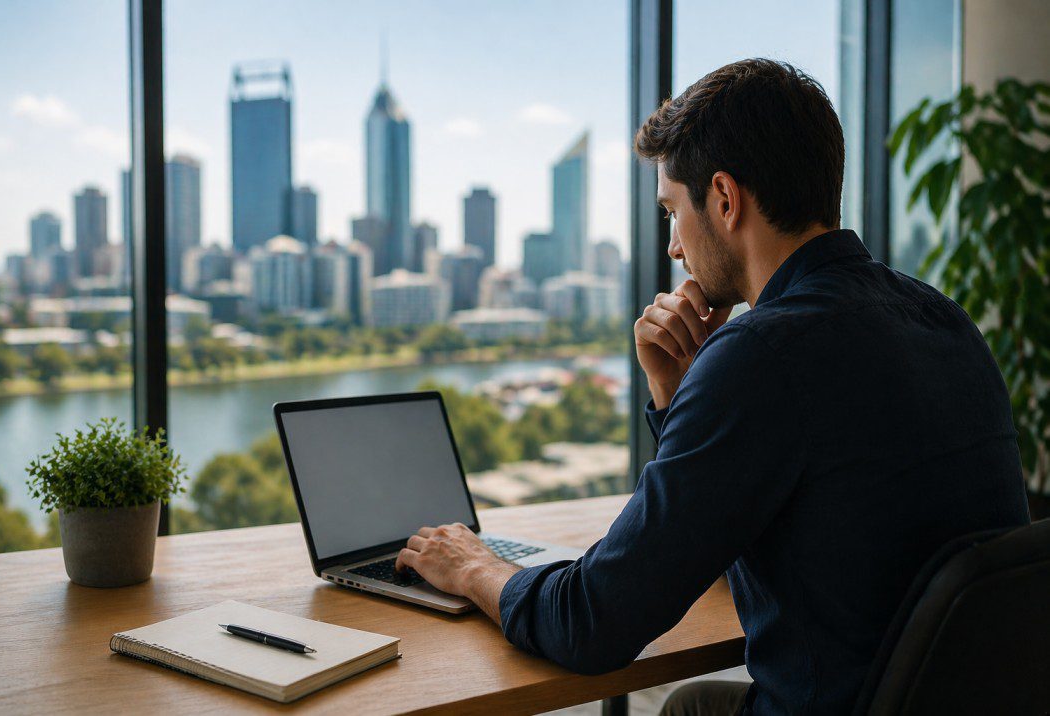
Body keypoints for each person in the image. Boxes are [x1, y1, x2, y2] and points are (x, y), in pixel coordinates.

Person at [393, 59, 1030, 714]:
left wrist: (475, 567)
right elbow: (734, 526)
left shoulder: (762, 355)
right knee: (693, 702)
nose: (673, 248)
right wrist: (679, 392)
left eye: (672, 211)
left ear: (723, 200)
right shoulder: (941, 317)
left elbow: (592, 625)